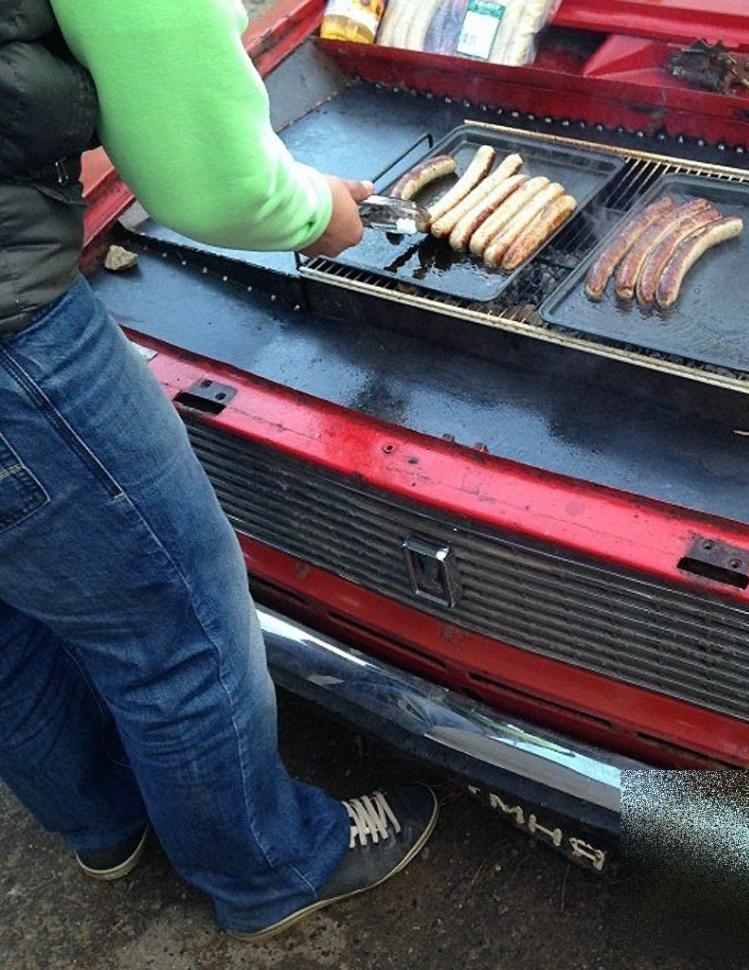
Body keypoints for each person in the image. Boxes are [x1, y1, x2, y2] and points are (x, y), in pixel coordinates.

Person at [0, 0, 437, 941]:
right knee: (181, 632)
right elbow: (206, 183)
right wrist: (320, 214)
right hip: (11, 350)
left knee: (7, 619)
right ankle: (271, 867)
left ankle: (103, 823)